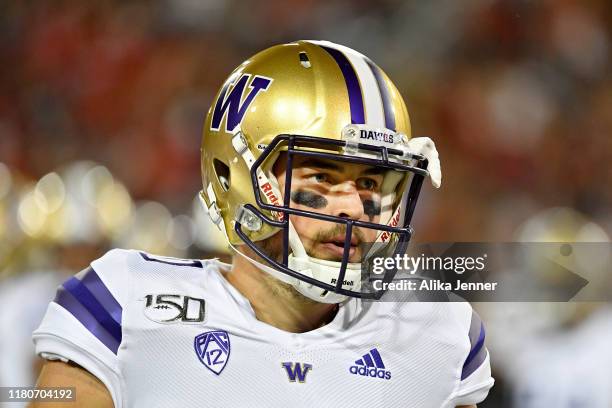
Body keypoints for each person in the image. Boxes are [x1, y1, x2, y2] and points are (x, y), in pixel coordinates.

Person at [32, 40, 493, 408]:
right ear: (234, 177)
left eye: (371, 182)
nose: (353, 209)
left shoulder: (436, 336)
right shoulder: (122, 306)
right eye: (322, 177)